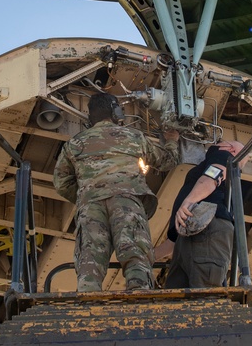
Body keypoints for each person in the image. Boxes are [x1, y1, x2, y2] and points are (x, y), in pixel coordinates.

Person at [52, 93, 179, 292]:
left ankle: (88, 298)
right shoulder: (134, 137)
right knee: (134, 248)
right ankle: (138, 291)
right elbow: (167, 161)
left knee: (90, 256)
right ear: (116, 112)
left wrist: (87, 194)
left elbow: (61, 182)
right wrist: (171, 140)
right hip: (126, 202)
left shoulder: (74, 144)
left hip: (90, 205)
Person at [164, 140, 246, 289]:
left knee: (203, 291)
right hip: (192, 233)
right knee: (178, 294)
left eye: (222, 141)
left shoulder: (224, 155)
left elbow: (213, 176)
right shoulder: (224, 163)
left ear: (231, 148)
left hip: (208, 229)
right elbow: (173, 242)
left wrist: (188, 201)